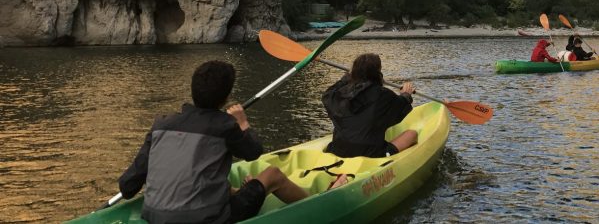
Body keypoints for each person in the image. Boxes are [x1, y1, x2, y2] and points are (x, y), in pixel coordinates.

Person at [118, 60, 321, 224]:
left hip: (154, 216)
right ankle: (320, 206)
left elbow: (127, 187)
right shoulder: (224, 125)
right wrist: (243, 122)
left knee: (218, 179)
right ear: (225, 99)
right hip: (209, 219)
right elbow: (253, 151)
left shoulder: (160, 125)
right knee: (273, 175)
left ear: (193, 91)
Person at [322, 53, 418, 158]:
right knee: (412, 134)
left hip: (338, 149)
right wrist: (406, 94)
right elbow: (400, 108)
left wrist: (345, 78)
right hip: (371, 153)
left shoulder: (340, 94)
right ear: (378, 72)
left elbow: (328, 94)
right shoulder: (383, 95)